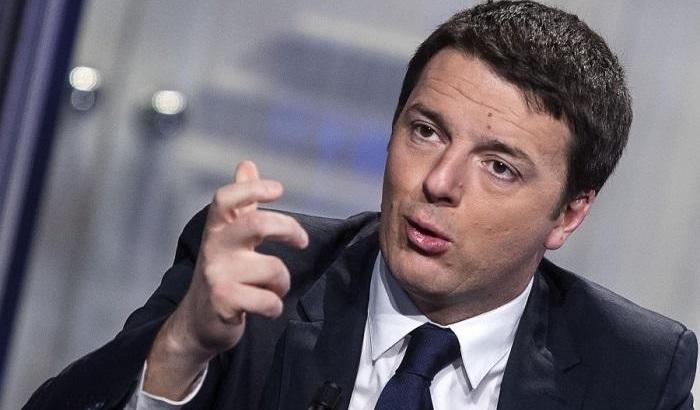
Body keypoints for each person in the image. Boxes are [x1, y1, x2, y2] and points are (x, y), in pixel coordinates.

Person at [25, 1, 697, 409]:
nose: (439, 182)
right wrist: (181, 346)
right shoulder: (261, 282)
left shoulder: (633, 373)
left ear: (570, 213)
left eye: (499, 166)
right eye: (426, 131)